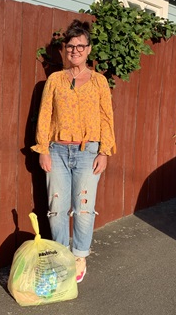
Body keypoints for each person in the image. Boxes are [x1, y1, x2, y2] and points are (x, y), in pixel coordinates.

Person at [31, 19, 116, 283]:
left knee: (84, 207)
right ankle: (60, 255)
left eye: (80, 46)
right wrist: (43, 149)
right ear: (64, 50)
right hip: (56, 151)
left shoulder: (99, 82)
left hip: (88, 151)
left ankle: (79, 256)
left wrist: (104, 151)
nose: (75, 50)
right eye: (70, 46)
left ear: (89, 49)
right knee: (56, 206)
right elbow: (44, 115)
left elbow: (106, 118)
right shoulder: (54, 80)